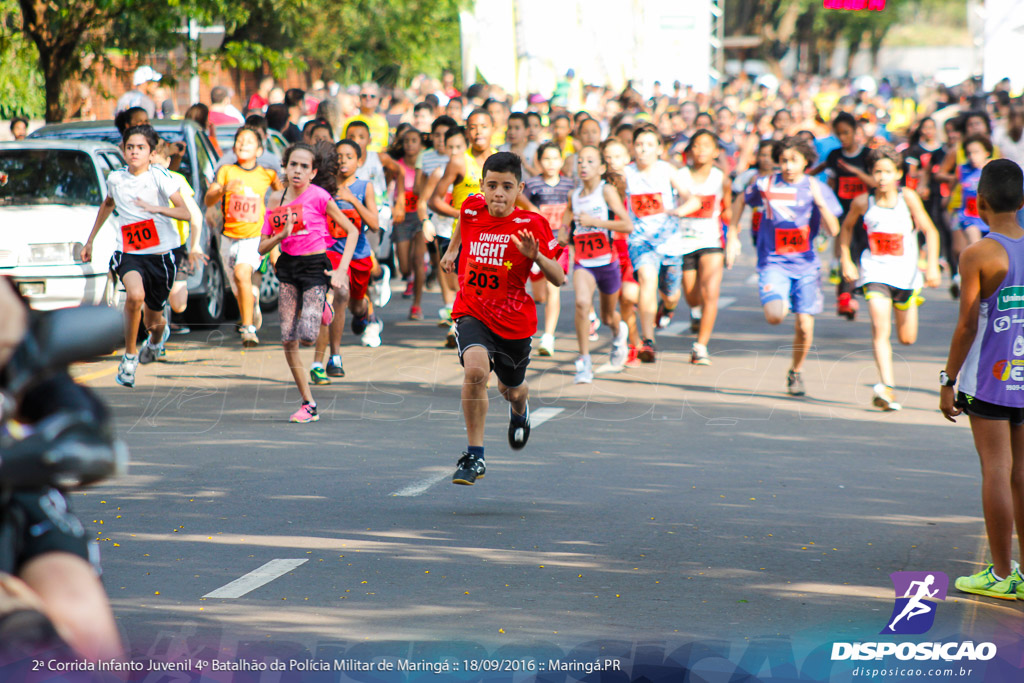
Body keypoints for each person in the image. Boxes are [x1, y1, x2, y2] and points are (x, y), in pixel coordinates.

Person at [439, 152, 565, 486]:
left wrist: (534, 254)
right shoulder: (470, 207)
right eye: (491, 185)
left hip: (513, 321)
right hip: (472, 309)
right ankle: (475, 455)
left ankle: (520, 409)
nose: (498, 193)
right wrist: (453, 250)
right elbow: (464, 224)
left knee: (511, 389)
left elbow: (559, 277)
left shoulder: (532, 224)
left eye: (507, 187)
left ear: (519, 188)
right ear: (482, 185)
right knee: (476, 372)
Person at [940, 159, 1024, 600]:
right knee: (1023, 472)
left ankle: (1000, 572)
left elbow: (967, 325)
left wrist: (947, 379)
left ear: (980, 203)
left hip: (991, 377)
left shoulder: (977, 254)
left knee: (997, 468)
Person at [82, 125, 191, 387]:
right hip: (129, 252)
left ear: (152, 153)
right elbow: (108, 203)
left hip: (160, 257)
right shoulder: (116, 179)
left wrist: (155, 208)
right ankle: (129, 356)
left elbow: (185, 213)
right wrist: (90, 240)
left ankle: (154, 342)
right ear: (123, 150)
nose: (134, 152)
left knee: (155, 320)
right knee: (134, 296)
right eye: (130, 147)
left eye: (140, 148)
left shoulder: (161, 178)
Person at [839, 145, 941, 411]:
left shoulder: (908, 198)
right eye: (877, 172)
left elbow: (930, 231)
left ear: (898, 174)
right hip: (875, 272)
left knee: (907, 338)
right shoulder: (863, 202)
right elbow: (846, 229)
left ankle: (908, 303)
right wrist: (846, 260)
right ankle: (886, 387)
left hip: (906, 277)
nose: (882, 177)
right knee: (879, 329)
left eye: (887, 171)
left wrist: (931, 266)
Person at [258, 142, 354, 422]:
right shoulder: (276, 199)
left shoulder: (320, 196)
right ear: (285, 168)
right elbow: (262, 247)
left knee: (309, 335)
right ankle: (308, 404)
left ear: (312, 173)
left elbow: (352, 231)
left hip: (315, 267)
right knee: (288, 339)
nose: (297, 170)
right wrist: (281, 235)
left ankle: (327, 307)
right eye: (293, 165)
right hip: (287, 267)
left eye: (303, 166)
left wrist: (340, 271)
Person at [737, 135, 841, 396]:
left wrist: (818, 201)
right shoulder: (765, 183)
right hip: (774, 262)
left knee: (805, 327)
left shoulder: (817, 187)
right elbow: (740, 200)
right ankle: (782, 297)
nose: (788, 166)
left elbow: (834, 228)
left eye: (794, 160)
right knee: (775, 316)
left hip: (806, 265)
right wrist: (730, 238)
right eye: (783, 160)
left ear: (806, 161)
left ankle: (796, 371)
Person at [623, 126, 701, 363]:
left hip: (670, 243)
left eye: (649, 144)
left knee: (672, 294)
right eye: (639, 144)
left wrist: (678, 210)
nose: (643, 149)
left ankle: (667, 307)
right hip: (640, 241)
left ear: (659, 148)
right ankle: (649, 341)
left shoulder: (667, 170)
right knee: (647, 279)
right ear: (632, 147)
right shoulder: (626, 173)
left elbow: (693, 200)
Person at [559, 146, 632, 383]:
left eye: (590, 162)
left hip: (607, 262)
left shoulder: (606, 191)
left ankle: (619, 334)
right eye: (580, 161)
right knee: (581, 303)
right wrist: (562, 230)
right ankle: (584, 361)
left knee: (609, 316)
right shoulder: (574, 195)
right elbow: (567, 215)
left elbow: (627, 225)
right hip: (584, 262)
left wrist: (596, 221)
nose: (583, 166)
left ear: (601, 168)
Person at [206, 126, 283, 347]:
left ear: (259, 150)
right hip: (229, 237)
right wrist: (222, 190)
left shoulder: (267, 174)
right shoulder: (226, 171)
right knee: (238, 287)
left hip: (254, 237)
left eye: (248, 141)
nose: (242, 145)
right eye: (239, 140)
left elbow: (283, 195)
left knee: (242, 274)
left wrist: (276, 220)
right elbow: (209, 200)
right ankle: (251, 306)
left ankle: (248, 329)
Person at [310, 139, 380, 383]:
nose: (343, 161)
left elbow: (374, 224)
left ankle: (364, 312)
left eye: (349, 156)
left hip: (358, 255)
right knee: (338, 294)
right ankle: (332, 358)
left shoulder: (364, 187)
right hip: (332, 252)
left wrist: (352, 200)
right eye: (338, 156)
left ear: (359, 161)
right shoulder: (325, 187)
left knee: (355, 303)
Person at [430, 110, 497, 346]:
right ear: (466, 131)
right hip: (465, 239)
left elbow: (517, 197)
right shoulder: (458, 161)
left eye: (483, 126)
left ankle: (477, 333)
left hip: (496, 240)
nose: (478, 131)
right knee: (469, 290)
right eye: (472, 126)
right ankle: (463, 330)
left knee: (490, 293)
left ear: (493, 128)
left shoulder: (501, 160)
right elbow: (435, 200)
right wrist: (465, 213)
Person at [671, 130, 732, 365]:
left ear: (716, 151)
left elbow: (727, 209)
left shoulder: (720, 178)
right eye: (696, 145)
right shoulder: (680, 176)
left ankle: (700, 346)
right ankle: (695, 312)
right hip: (683, 240)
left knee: (710, 293)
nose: (701, 150)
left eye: (707, 146)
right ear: (689, 150)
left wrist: (733, 234)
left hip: (711, 241)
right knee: (691, 295)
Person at [816, 112, 874, 321]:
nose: (842, 137)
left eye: (846, 133)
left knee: (860, 255)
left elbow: (876, 182)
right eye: (838, 133)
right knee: (844, 254)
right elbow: (830, 184)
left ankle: (855, 291)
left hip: (866, 215)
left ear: (856, 132)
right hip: (842, 214)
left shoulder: (868, 156)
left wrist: (856, 172)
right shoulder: (834, 156)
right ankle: (844, 297)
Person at [518, 142, 574, 356]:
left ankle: (548, 336)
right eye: (546, 159)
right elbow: (522, 210)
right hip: (536, 245)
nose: (550, 163)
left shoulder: (570, 185)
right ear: (538, 162)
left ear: (561, 161)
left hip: (558, 246)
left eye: (554, 158)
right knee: (539, 294)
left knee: (554, 288)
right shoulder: (531, 185)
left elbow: (574, 211)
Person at [601, 138, 642, 365]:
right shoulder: (599, 185)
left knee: (629, 297)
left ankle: (633, 343)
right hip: (609, 250)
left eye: (617, 156)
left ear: (627, 158)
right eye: (608, 157)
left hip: (634, 246)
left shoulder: (637, 181)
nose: (613, 162)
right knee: (615, 306)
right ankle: (628, 340)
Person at [390, 126, 428, 319]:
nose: (410, 144)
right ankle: (410, 277)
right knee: (404, 266)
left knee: (418, 260)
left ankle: (416, 305)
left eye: (414, 140)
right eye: (406, 141)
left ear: (421, 144)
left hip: (420, 216)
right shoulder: (397, 165)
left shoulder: (426, 164)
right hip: (402, 217)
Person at [348, 83, 390, 153]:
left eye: (372, 96)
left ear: (377, 100)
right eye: (364, 96)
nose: (368, 98)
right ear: (359, 98)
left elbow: (384, 147)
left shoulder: (383, 122)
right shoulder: (350, 121)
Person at [498, 112, 539, 178]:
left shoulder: (534, 149)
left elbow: (540, 175)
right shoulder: (502, 149)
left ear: (527, 130)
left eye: (517, 128)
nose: (512, 132)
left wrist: (525, 164)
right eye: (510, 128)